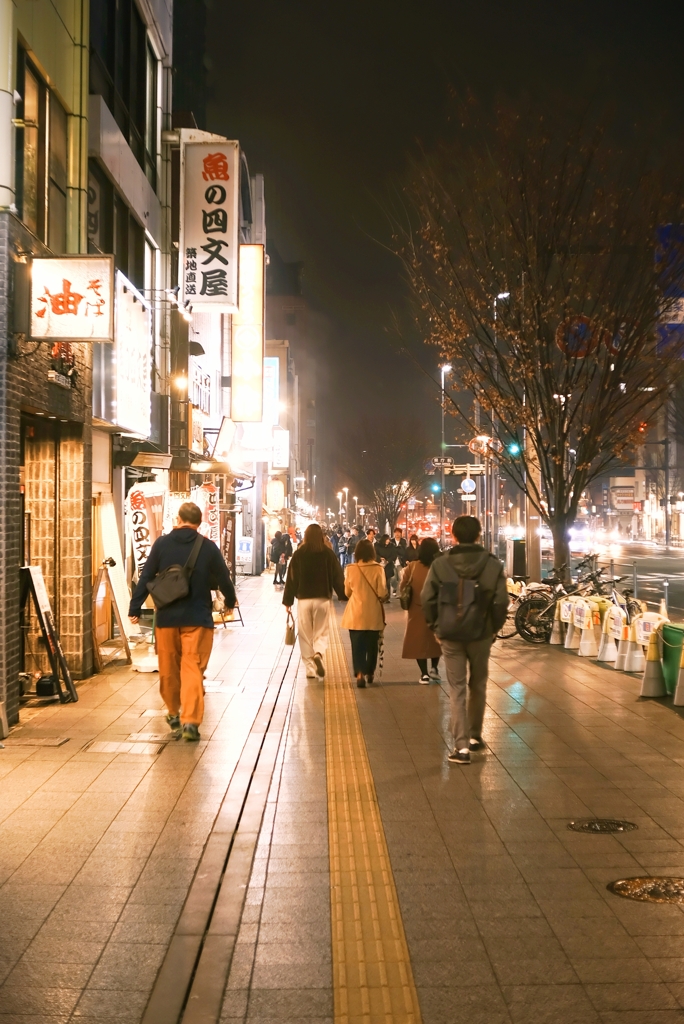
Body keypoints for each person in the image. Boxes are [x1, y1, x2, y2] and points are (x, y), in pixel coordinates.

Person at [129, 502, 236, 742]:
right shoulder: (208, 547)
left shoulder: (161, 544)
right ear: (199, 522)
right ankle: (190, 722)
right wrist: (230, 600)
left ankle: (173, 712)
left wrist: (134, 607)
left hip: (166, 618)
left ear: (178, 519)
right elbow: (223, 578)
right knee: (192, 669)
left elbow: (146, 576)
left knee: (168, 669)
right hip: (197, 619)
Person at [421, 515, 508, 765]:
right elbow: (501, 601)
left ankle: (461, 748)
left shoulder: (441, 564)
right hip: (481, 633)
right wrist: (494, 628)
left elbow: (428, 598)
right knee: (478, 684)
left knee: (456, 688)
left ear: (454, 535)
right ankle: (475, 736)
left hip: (450, 633)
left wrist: (435, 626)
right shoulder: (492, 564)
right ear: (479, 535)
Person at [283, 522, 345, 678]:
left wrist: (288, 601)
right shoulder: (328, 553)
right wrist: (343, 595)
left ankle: (310, 669)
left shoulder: (299, 553)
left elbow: (291, 579)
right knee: (321, 631)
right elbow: (338, 576)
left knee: (305, 634)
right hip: (322, 599)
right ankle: (318, 652)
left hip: (304, 599)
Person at [341, 539, 387, 688]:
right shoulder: (378, 568)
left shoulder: (350, 569)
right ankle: (369, 672)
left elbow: (347, 592)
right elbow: (382, 592)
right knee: (372, 644)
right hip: (373, 613)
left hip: (355, 613)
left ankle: (359, 673)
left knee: (357, 645)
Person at [401, 537, 442, 682]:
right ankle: (435, 668)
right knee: (435, 639)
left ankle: (424, 674)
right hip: (437, 609)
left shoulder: (412, 566)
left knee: (419, 640)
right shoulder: (440, 566)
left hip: (416, 609)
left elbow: (403, 586)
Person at [375, 534, 394, 602]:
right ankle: (380, 595)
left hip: (388, 566)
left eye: (389, 539)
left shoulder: (392, 546)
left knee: (387, 582)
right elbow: (375, 553)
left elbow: (394, 555)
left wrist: (388, 560)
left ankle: (387, 596)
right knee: (381, 582)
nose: (388, 541)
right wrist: (380, 558)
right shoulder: (377, 545)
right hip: (380, 565)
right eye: (387, 539)